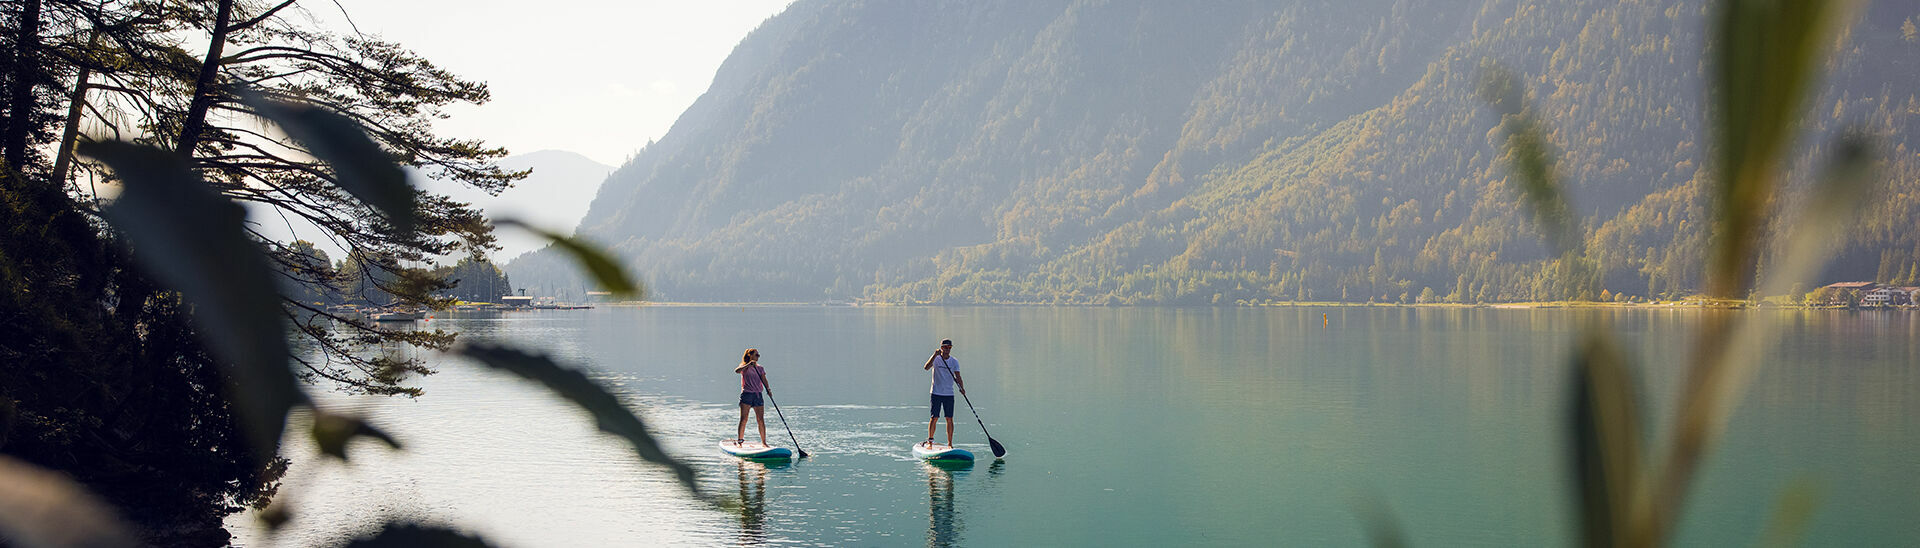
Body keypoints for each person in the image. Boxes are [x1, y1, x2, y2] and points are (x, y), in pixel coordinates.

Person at [922, 339, 966, 448]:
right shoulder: (936, 359)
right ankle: (930, 442)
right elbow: (926, 367)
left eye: (949, 347)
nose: (947, 349)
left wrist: (962, 388)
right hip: (936, 393)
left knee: (949, 418)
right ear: (941, 348)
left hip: (948, 394)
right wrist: (934, 355)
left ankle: (950, 444)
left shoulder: (954, 361)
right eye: (945, 347)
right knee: (934, 417)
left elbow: (958, 376)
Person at [734, 348, 770, 446]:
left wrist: (768, 390)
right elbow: (737, 371)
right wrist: (748, 365)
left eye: (758, 355)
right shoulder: (744, 367)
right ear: (750, 355)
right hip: (747, 395)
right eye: (756, 355)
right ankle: (740, 441)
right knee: (744, 418)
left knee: (760, 419)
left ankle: (764, 442)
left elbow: (764, 379)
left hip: (758, 395)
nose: (758, 357)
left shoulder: (760, 368)